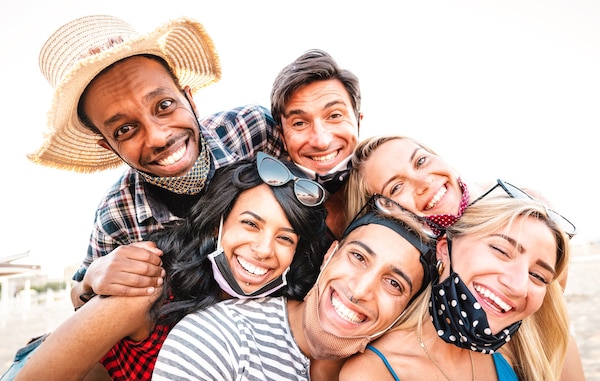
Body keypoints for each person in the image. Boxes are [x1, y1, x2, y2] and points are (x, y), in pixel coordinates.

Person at [27, 14, 284, 308]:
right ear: (109, 147)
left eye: (164, 106)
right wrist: (91, 279)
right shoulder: (118, 216)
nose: (158, 137)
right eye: (125, 129)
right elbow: (80, 300)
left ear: (190, 99)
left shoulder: (252, 131)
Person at [14, 154, 328, 381]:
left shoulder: (283, 313)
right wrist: (88, 283)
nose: (263, 250)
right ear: (217, 222)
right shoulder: (151, 284)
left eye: (285, 238)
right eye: (249, 224)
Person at [152, 205, 438, 380]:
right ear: (329, 255)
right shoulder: (218, 339)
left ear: (405, 310)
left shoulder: (389, 373)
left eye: (394, 284)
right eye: (358, 258)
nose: (360, 291)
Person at [339, 194, 572, 381]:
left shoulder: (531, 354)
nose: (518, 286)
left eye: (538, 276)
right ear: (444, 249)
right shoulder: (373, 372)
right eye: (501, 251)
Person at [270, 49, 362, 239]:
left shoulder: (389, 191)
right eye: (300, 123)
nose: (321, 141)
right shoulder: (269, 210)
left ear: (358, 122)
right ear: (283, 137)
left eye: (335, 115)